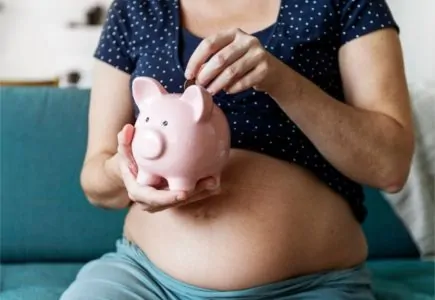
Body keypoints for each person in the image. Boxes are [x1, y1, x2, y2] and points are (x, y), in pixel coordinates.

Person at [61, 0, 414, 299]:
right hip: (145, 280)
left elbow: (390, 168)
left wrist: (282, 81)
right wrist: (124, 172)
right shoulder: (136, 8)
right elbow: (96, 184)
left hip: (308, 286)